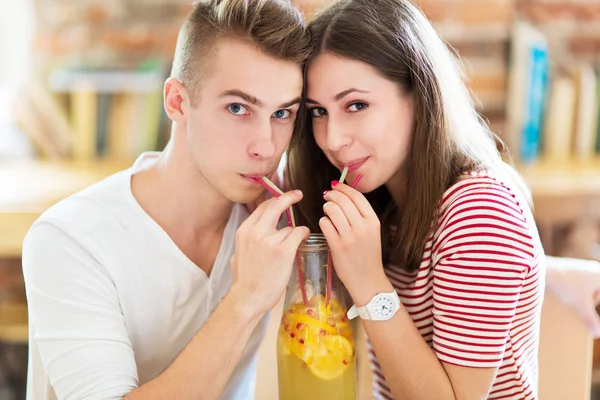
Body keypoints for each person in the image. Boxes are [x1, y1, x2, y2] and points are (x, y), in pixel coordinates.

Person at [21, 1, 310, 399]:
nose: (265, 146)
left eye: (282, 114)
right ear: (176, 102)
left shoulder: (279, 212)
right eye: (238, 108)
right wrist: (245, 299)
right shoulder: (70, 240)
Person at [287, 0, 545, 398]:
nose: (333, 139)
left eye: (357, 105)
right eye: (318, 111)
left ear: (419, 95)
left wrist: (368, 280)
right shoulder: (377, 196)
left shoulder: (481, 212)